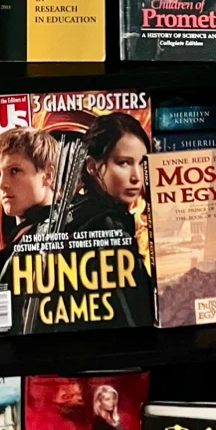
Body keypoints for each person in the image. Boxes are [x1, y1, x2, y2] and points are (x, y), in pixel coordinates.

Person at [63, 114, 153, 326]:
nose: (137, 177)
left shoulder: (75, 213)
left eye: (141, 163)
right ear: (92, 166)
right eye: (124, 163)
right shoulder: (107, 228)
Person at [0, 127, 59, 289]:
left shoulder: (68, 232)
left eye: (14, 171)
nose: (2, 184)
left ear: (48, 175)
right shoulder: (14, 246)